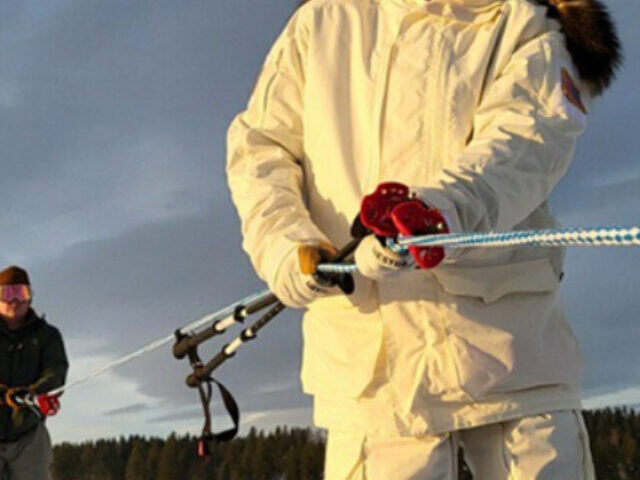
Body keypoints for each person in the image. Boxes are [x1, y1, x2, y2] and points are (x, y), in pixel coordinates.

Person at [226, 0, 621, 478]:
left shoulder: (524, 26)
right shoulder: (324, 21)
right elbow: (260, 148)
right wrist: (285, 246)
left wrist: (441, 213)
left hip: (513, 364)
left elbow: (527, 141)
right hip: (376, 382)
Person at [0, 266, 68, 480]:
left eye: (20, 293)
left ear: (30, 297)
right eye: (6, 293)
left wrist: (34, 393)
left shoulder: (47, 336)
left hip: (29, 433)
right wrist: (5, 395)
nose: (14, 300)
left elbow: (56, 372)